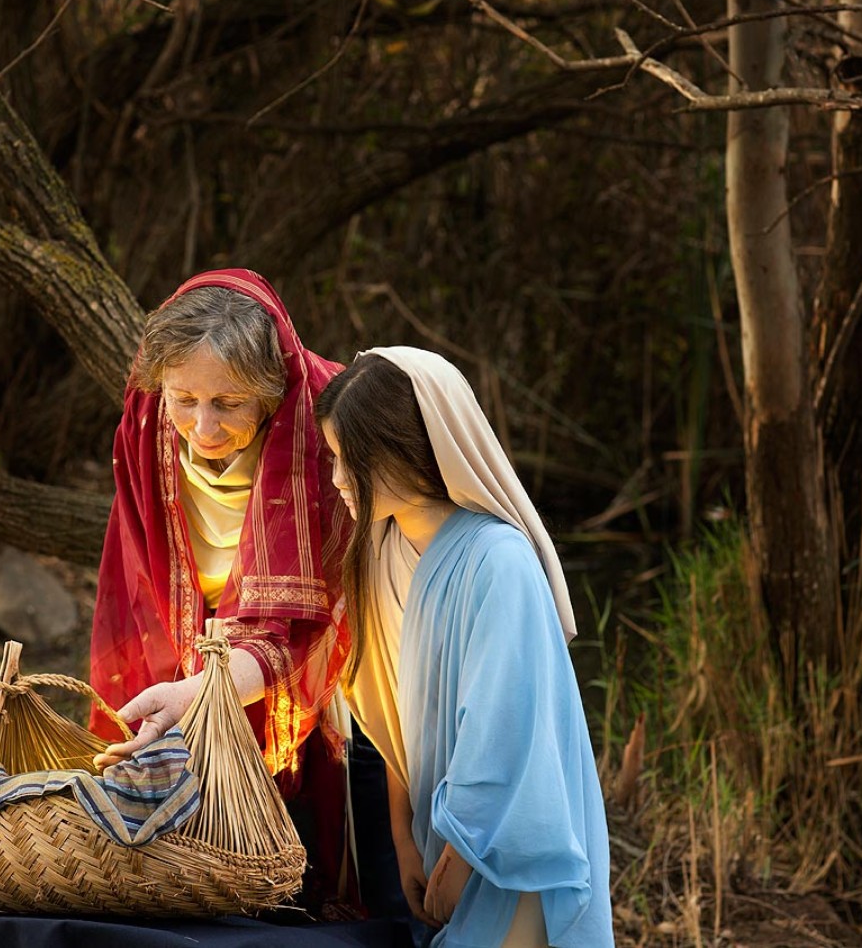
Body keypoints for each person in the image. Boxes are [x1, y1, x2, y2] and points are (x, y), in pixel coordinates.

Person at [86, 268, 395, 919]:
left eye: (227, 403)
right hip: (191, 642)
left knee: (318, 852)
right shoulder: (145, 423)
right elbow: (137, 564)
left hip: (330, 670)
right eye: (184, 399)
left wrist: (208, 688)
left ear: (271, 390)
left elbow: (301, 624)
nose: (202, 427)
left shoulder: (326, 424)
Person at [316, 347, 614, 947]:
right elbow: (392, 712)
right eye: (334, 459)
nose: (337, 481)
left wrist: (460, 856)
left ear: (409, 450)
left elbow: (500, 730)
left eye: (353, 462)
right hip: (438, 834)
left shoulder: (498, 562)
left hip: (510, 844)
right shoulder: (382, 548)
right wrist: (404, 839)